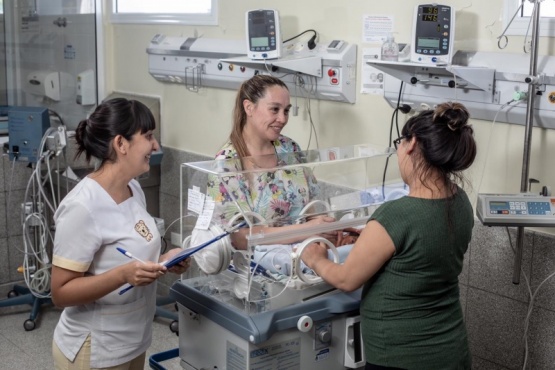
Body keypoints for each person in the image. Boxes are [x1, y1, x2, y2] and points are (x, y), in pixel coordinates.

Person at [302, 102, 476, 370]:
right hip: (451, 351)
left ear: (412, 144)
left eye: (399, 142)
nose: (397, 152)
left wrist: (314, 257)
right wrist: (372, 238)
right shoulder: (461, 202)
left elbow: (346, 279)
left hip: (401, 357)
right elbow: (422, 251)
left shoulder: (397, 214)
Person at [51, 98, 189, 370]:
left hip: (133, 341)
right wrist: (123, 276)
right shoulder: (82, 206)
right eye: (148, 136)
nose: (156, 145)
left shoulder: (133, 189)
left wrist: (165, 260)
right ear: (121, 144)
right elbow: (60, 293)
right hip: (95, 349)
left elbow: (126, 257)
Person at [207, 74, 335, 250]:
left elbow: (313, 209)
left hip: (304, 258)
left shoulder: (289, 149)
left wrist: (324, 233)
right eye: (274, 109)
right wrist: (306, 231)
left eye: (286, 110)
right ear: (249, 107)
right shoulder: (227, 164)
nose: (282, 119)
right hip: (254, 267)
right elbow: (238, 238)